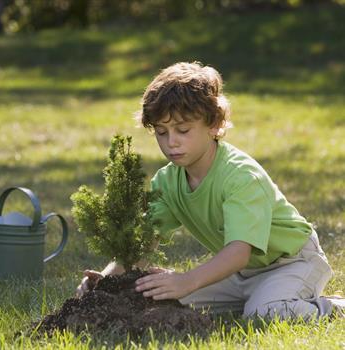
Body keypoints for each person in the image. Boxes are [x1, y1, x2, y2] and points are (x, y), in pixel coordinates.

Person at [76, 61, 344, 319]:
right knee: (159, 300)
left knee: (266, 313)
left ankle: (334, 308)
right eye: (161, 132)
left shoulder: (240, 177)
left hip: (293, 263)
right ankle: (260, 297)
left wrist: (188, 280)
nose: (172, 143)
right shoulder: (167, 182)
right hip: (238, 275)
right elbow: (146, 242)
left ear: (214, 124)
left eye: (183, 130)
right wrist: (107, 280)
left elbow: (239, 252)